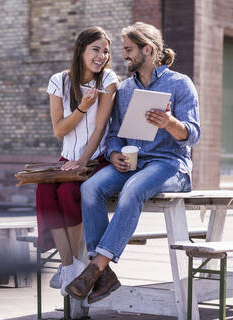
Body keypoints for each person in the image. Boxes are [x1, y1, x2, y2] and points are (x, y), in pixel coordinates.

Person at [65, 22, 201, 304]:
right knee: (91, 188)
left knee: (133, 189)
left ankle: (96, 267)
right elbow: (115, 134)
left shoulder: (179, 84)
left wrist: (170, 123)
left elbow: (192, 135)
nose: (123, 55)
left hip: (170, 164)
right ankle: (105, 276)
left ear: (147, 49)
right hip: (134, 163)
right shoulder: (125, 90)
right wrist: (114, 153)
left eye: (128, 50)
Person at [37, 26, 119, 296]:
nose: (102, 56)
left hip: (96, 159)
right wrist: (82, 106)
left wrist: (83, 162)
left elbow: (99, 128)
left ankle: (72, 269)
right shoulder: (58, 81)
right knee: (45, 191)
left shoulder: (108, 80)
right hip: (67, 158)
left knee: (70, 190)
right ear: (81, 50)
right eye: (96, 49)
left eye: (105, 51)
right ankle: (69, 266)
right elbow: (59, 130)